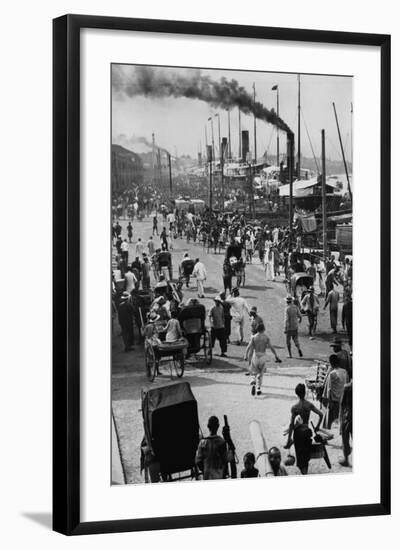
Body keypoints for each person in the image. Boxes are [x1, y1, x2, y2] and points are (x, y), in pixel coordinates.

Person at [245, 322, 282, 396]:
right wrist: (276, 356)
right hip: (263, 356)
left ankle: (253, 381)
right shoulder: (266, 337)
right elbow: (271, 347)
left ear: (257, 329)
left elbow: (249, 347)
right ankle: (258, 388)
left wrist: (246, 355)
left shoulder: (253, 337)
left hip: (256, 355)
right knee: (261, 374)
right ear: (264, 329)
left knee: (253, 371)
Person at [284, 383, 323, 449]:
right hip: (307, 432)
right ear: (304, 393)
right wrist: (317, 427)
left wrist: (288, 440)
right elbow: (321, 415)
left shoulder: (295, 407)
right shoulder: (309, 405)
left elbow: (291, 425)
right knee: (306, 454)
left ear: (296, 393)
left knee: (299, 454)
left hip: (298, 433)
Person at [195, 416, 228, 480]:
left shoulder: (202, 443)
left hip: (207, 477)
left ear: (208, 426)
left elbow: (198, 462)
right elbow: (225, 461)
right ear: (218, 426)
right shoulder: (222, 442)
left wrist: (206, 468)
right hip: (220, 477)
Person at [322, 354, 349, 429]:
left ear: (331, 363)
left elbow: (329, 389)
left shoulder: (332, 374)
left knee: (329, 420)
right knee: (340, 418)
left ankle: (328, 430)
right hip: (343, 398)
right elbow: (347, 384)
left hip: (334, 400)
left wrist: (329, 401)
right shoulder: (344, 371)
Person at [339, 380, 352, 466]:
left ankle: (346, 459)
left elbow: (342, 405)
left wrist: (341, 420)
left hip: (348, 417)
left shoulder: (347, 387)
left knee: (345, 439)